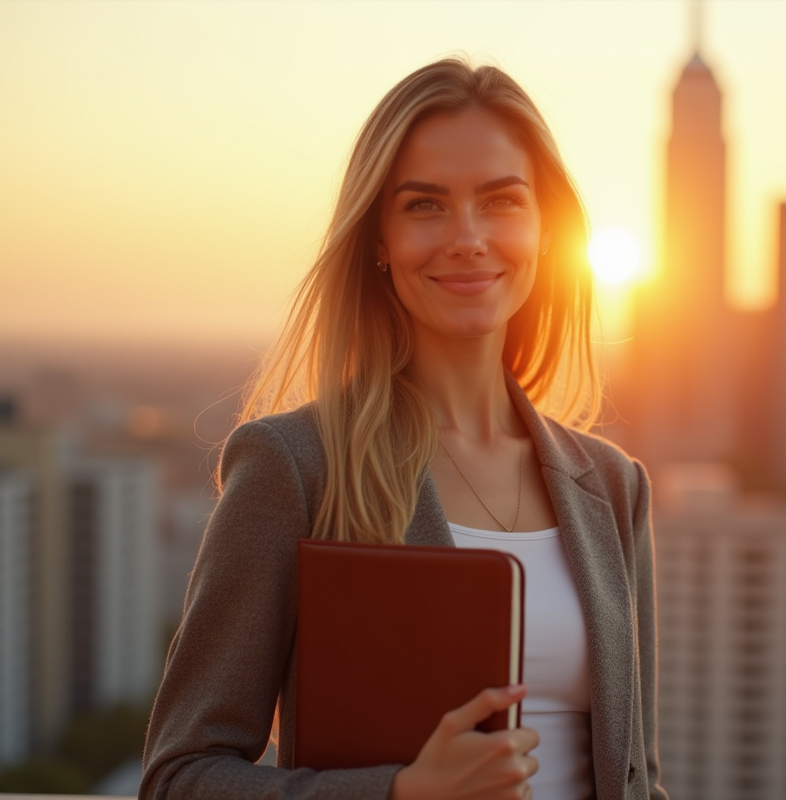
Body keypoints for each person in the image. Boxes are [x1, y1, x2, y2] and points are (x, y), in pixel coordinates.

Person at [140, 59, 667, 800]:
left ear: (547, 231)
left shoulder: (614, 486)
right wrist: (398, 794)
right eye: (425, 206)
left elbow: (639, 775)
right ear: (378, 240)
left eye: (501, 201)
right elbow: (179, 779)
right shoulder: (296, 467)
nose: (469, 237)